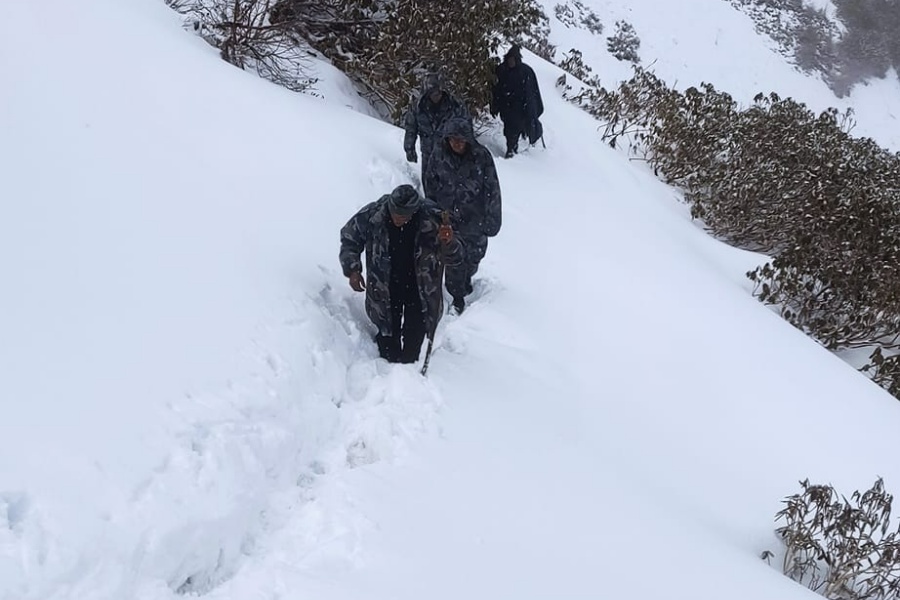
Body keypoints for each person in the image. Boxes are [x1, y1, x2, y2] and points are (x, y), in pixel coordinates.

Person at [339, 184, 463, 363]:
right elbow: (350, 237)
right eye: (394, 213)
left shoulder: (434, 218)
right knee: (388, 340)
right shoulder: (374, 214)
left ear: (414, 211)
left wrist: (449, 242)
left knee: (413, 343)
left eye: (403, 216)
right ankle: (387, 369)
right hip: (385, 285)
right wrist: (352, 269)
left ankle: (408, 371)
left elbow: (456, 258)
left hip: (420, 288)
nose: (397, 218)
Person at [424, 117, 501, 314]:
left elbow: (492, 188)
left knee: (473, 258)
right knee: (453, 260)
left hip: (475, 218)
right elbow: (430, 185)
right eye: (453, 139)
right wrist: (434, 214)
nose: (457, 143)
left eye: (461, 139)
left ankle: (465, 284)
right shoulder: (438, 154)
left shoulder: (482, 157)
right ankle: (456, 297)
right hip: (449, 219)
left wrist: (493, 218)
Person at [403, 72, 470, 195]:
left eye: (438, 92)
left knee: (452, 190)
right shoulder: (418, 108)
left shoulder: (455, 106)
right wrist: (409, 148)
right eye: (432, 93)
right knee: (430, 189)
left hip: (451, 154)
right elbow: (411, 128)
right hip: (428, 154)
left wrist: (468, 151)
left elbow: (467, 128)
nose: (436, 96)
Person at [491, 44, 544, 158]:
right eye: (509, 59)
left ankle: (511, 149)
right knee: (508, 129)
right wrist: (495, 105)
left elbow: (531, 92)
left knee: (514, 129)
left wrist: (532, 110)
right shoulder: (502, 70)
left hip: (520, 107)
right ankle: (512, 146)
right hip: (506, 106)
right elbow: (496, 89)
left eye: (513, 59)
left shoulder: (525, 72)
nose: (511, 62)